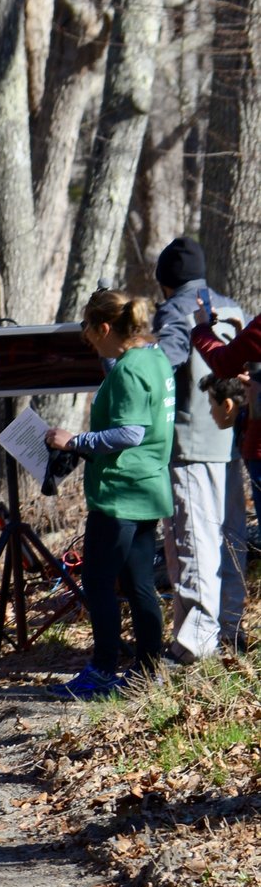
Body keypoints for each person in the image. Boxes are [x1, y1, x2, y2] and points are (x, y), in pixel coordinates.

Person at [51, 290, 175, 697]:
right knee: (139, 582)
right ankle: (148, 671)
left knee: (99, 582)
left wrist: (74, 441)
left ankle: (103, 671)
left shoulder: (128, 370)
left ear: (105, 328)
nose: (86, 337)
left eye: (88, 329)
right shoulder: (153, 359)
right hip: (146, 488)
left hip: (120, 493)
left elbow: (130, 432)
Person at [151, 239, 247, 661]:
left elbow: (163, 366)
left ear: (165, 283)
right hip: (228, 440)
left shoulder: (175, 311)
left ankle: (194, 646)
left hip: (188, 443)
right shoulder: (232, 307)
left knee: (193, 543)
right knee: (230, 540)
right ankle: (229, 630)